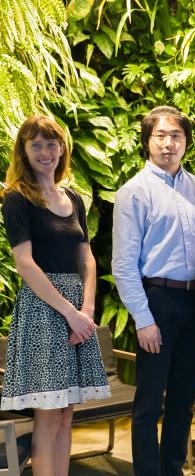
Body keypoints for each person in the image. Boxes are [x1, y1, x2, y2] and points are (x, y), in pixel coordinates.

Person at [0, 115, 110, 475]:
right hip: (44, 310)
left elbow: (87, 258)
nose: (45, 152)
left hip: (78, 309)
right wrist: (70, 312)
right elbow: (26, 264)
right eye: (36, 145)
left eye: (51, 144)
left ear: (62, 148)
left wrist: (87, 308)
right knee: (48, 416)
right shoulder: (16, 199)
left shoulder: (73, 197)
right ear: (24, 151)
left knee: (66, 413)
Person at [112, 106, 195, 476]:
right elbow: (123, 264)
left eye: (176, 136)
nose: (169, 143)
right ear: (148, 141)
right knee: (149, 402)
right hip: (157, 301)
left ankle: (173, 470)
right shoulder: (133, 192)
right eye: (160, 136)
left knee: (183, 400)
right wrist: (144, 318)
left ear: (186, 141)